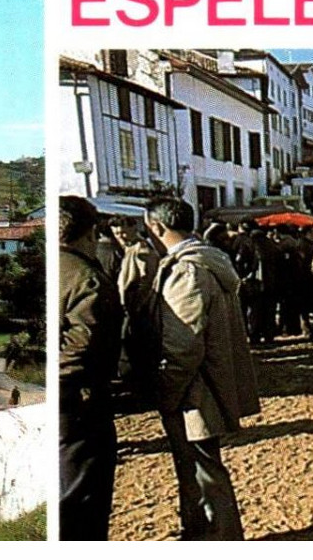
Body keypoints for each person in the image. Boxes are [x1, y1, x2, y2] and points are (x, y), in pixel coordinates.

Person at [147, 198, 261, 540]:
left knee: (204, 472)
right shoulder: (210, 261)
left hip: (194, 390)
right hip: (210, 381)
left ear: (156, 227)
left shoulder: (187, 270)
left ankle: (221, 538)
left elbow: (183, 345)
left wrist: (166, 392)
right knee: (199, 469)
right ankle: (200, 533)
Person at [58, 196, 124, 540]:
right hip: (80, 402)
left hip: (62, 400)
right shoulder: (87, 277)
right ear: (91, 232)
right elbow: (84, 346)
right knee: (83, 500)